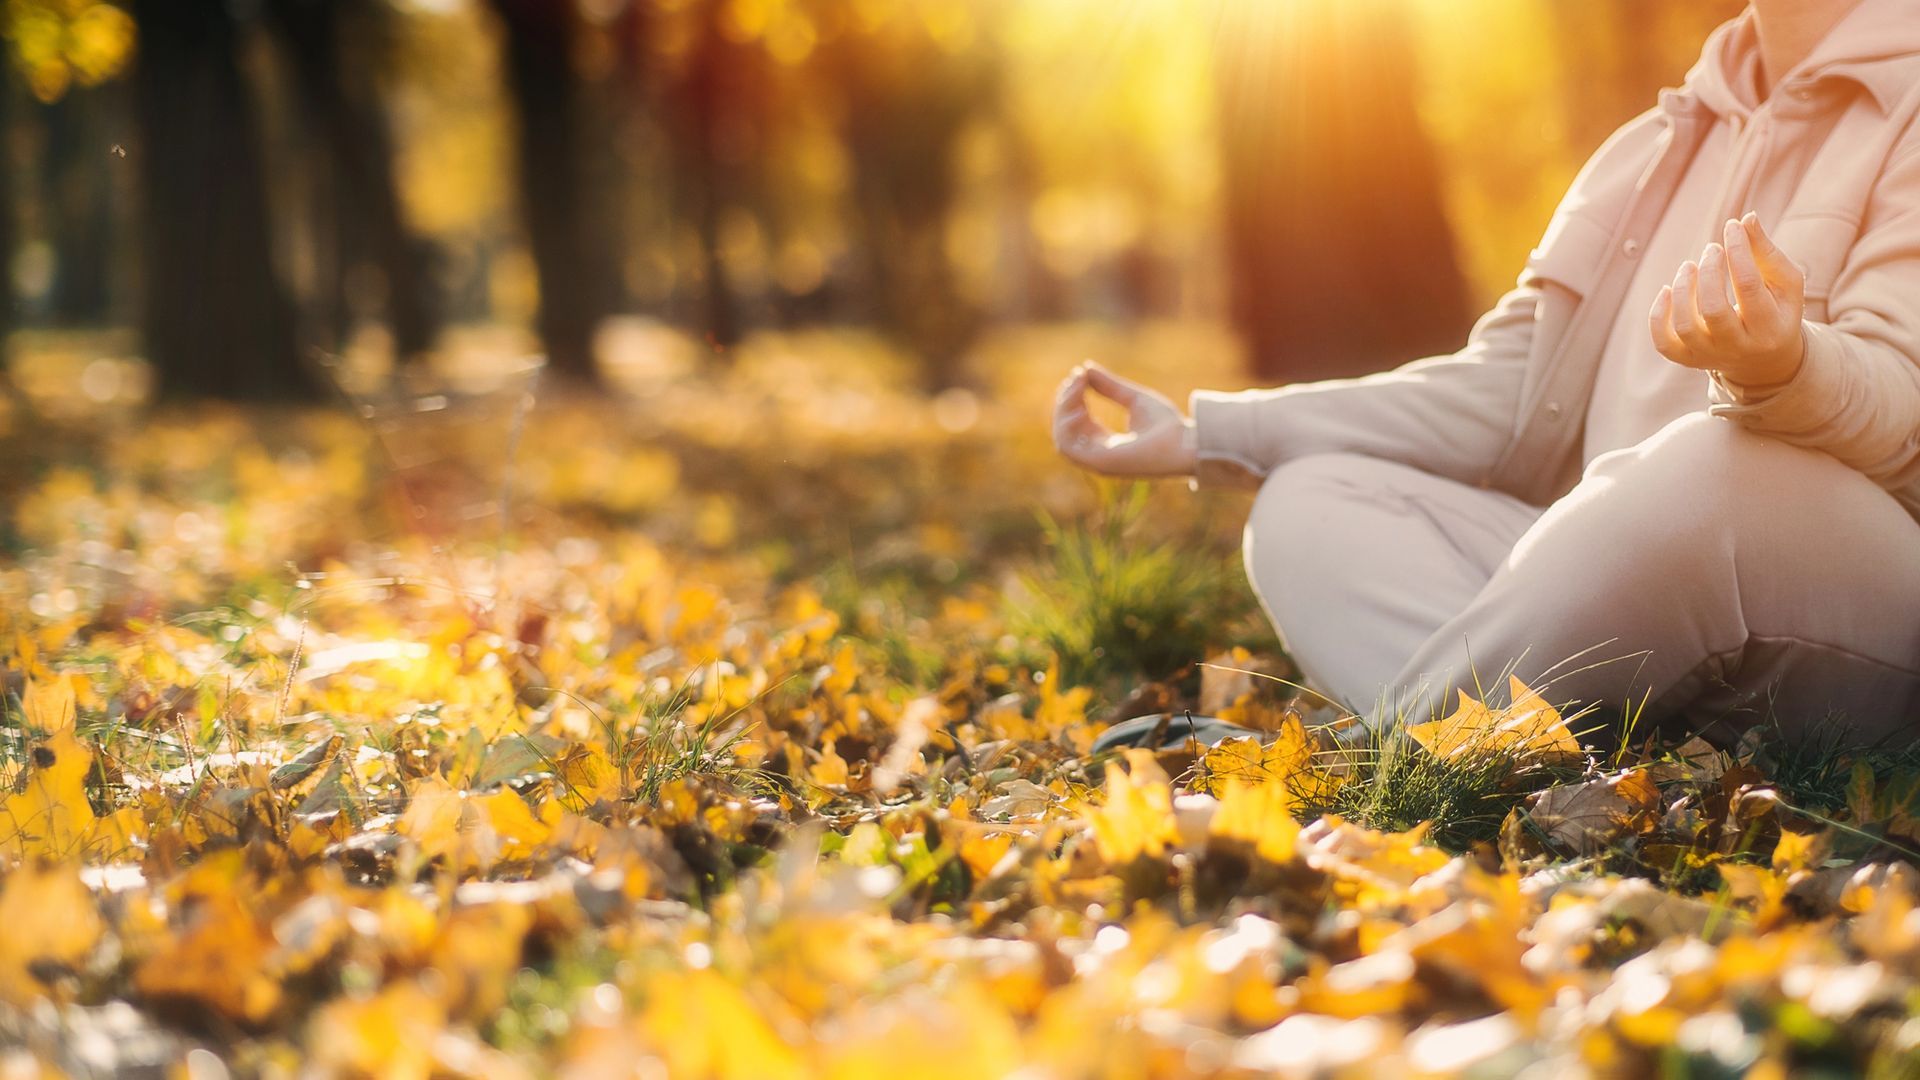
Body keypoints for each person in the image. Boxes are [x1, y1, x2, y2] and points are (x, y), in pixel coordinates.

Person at [1054, 0, 1920, 747]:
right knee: (1310, 500)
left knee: (1709, 474)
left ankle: (1384, 761)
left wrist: (1785, 364)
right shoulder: (1653, 144)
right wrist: (1210, 436)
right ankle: (1557, 760)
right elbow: (1502, 387)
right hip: (1613, 594)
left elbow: (1901, 398)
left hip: (1854, 602)